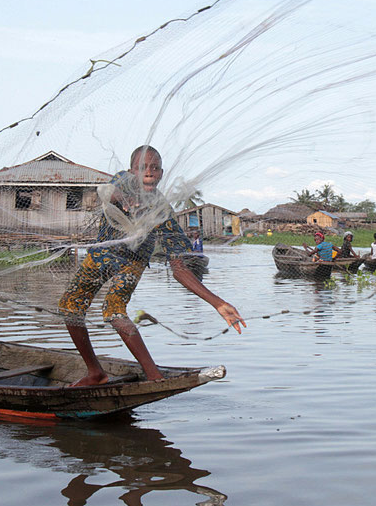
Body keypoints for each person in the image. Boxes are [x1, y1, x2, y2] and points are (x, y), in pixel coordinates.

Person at [59, 145, 245, 386]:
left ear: (161, 174)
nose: (149, 172)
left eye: (154, 168)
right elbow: (108, 192)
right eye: (142, 168)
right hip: (101, 255)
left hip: (132, 263)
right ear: (131, 171)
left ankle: (154, 375)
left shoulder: (163, 214)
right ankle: (95, 372)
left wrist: (217, 302)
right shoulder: (122, 181)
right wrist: (124, 198)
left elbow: (179, 269)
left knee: (114, 311)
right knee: (70, 306)